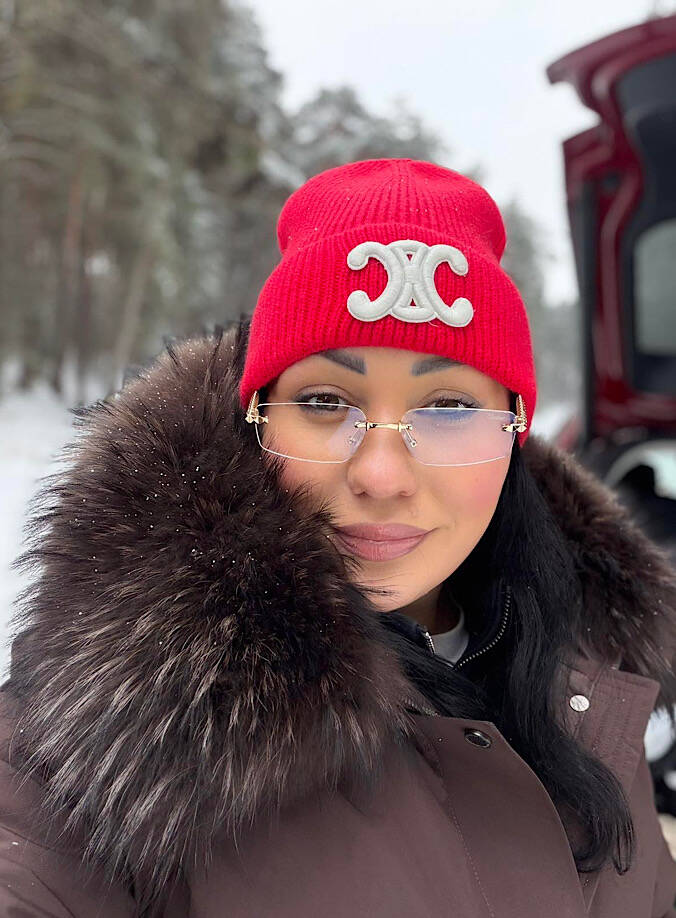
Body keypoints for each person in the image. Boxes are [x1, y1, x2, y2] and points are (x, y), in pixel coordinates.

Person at [1, 158, 676, 918]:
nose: (381, 475)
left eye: (450, 407)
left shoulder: (595, 678)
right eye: (325, 401)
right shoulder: (103, 722)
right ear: (257, 421)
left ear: (514, 433)